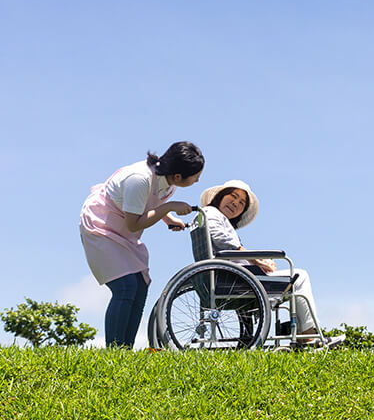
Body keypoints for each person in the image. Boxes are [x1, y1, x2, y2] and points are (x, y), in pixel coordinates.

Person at [79, 141, 204, 348]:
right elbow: (134, 222)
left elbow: (151, 203)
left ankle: (125, 350)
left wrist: (169, 218)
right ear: (178, 176)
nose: (197, 180)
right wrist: (170, 208)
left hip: (122, 229)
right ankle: (115, 352)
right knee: (125, 286)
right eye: (195, 177)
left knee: (140, 286)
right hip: (101, 226)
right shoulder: (139, 179)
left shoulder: (168, 180)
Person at [200, 180, 343, 347]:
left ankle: (306, 335)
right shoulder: (211, 212)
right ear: (220, 196)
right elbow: (223, 241)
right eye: (233, 196)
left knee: (288, 276)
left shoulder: (213, 216)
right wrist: (257, 260)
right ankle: (309, 337)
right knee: (299, 276)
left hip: (232, 278)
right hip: (235, 281)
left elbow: (229, 248)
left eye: (241, 203)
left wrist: (261, 262)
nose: (235, 204)